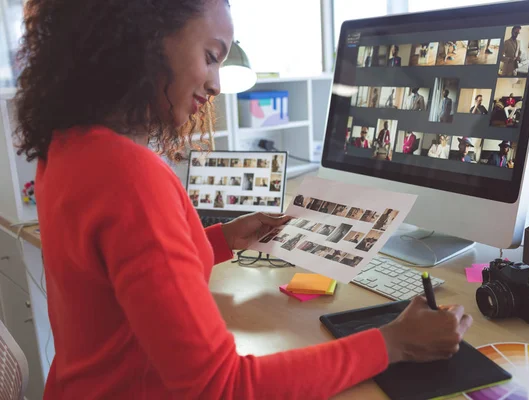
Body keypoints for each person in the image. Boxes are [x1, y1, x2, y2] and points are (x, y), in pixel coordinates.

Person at [14, 0, 473, 398]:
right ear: (145, 38)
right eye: (211, 57)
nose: (215, 84)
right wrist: (393, 344)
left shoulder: (68, 146)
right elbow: (224, 387)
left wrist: (222, 239)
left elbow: (123, 284)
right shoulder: (131, 178)